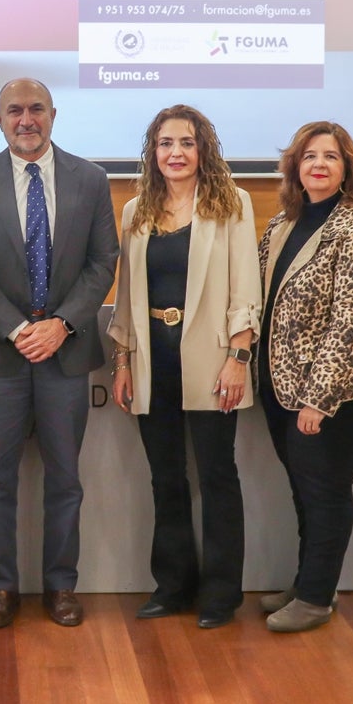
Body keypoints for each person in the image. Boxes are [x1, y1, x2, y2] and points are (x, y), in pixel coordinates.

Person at [0, 78, 118, 629]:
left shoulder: (90, 180)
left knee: (65, 479)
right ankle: (0, 587)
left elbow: (102, 262)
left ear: (53, 115)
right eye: (15, 110)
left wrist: (62, 325)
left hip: (66, 355)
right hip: (2, 356)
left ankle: (61, 587)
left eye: (36, 109)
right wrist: (20, 329)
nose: (27, 119)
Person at [108, 104, 260, 629]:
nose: (176, 153)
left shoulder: (232, 204)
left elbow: (245, 289)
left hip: (214, 361)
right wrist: (123, 359)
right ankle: (172, 586)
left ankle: (221, 594)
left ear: (204, 150)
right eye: (166, 143)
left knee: (218, 476)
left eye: (187, 143)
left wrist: (238, 359)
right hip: (153, 361)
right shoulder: (135, 212)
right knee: (165, 478)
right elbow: (126, 295)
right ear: (153, 152)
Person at [255, 121, 353, 633]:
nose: (318, 163)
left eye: (331, 156)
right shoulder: (282, 225)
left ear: (346, 169)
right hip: (281, 388)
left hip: (333, 396)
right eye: (309, 155)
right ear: (294, 165)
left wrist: (319, 399)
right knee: (303, 489)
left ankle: (315, 598)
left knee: (325, 491)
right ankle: (310, 580)